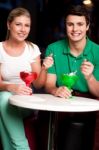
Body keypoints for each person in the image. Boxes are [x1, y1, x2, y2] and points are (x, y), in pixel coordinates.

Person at [45, 4, 99, 150]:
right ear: (66, 26)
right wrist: (55, 90)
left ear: (87, 26)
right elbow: (49, 84)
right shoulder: (53, 49)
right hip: (62, 104)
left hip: (90, 104)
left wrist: (89, 78)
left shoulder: (97, 52)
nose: (75, 29)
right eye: (70, 24)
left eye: (80, 24)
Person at [0, 7, 53, 150]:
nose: (23, 29)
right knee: (3, 98)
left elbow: (38, 84)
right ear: (8, 25)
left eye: (27, 25)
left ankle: (22, 147)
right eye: (18, 24)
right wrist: (11, 87)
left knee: (2, 101)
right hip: (5, 97)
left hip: (24, 102)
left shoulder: (32, 49)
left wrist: (44, 69)